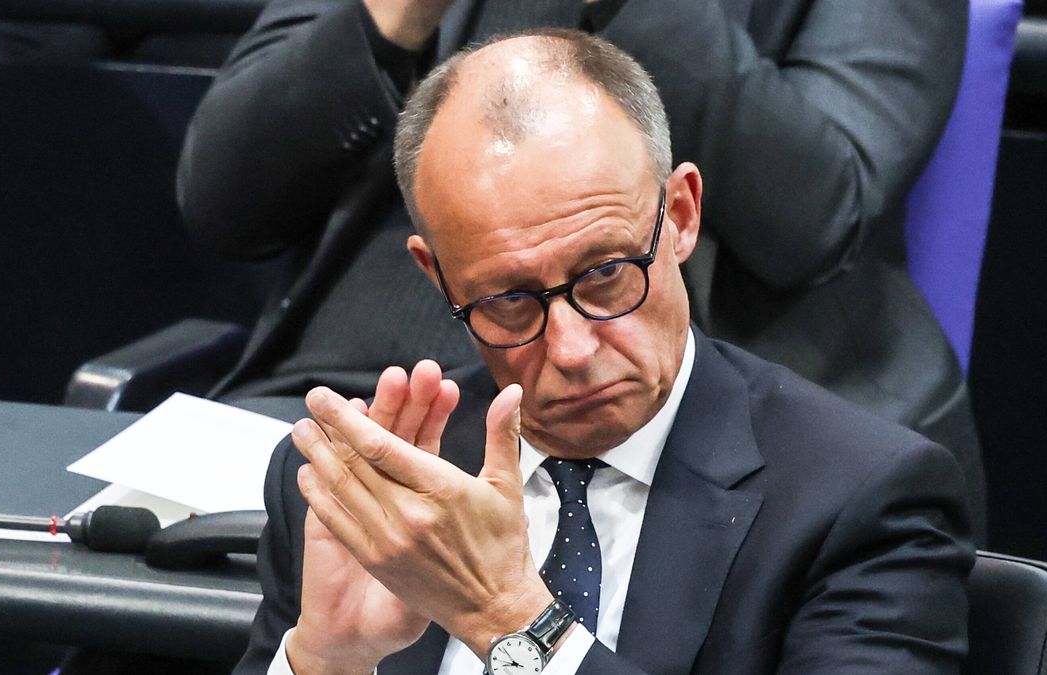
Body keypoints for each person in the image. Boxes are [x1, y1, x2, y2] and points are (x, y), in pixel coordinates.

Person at [235, 31, 974, 675]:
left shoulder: (857, 503)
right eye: (508, 300)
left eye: (606, 274)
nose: (573, 345)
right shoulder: (360, 495)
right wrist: (328, 661)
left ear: (680, 216)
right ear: (439, 277)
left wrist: (513, 618)